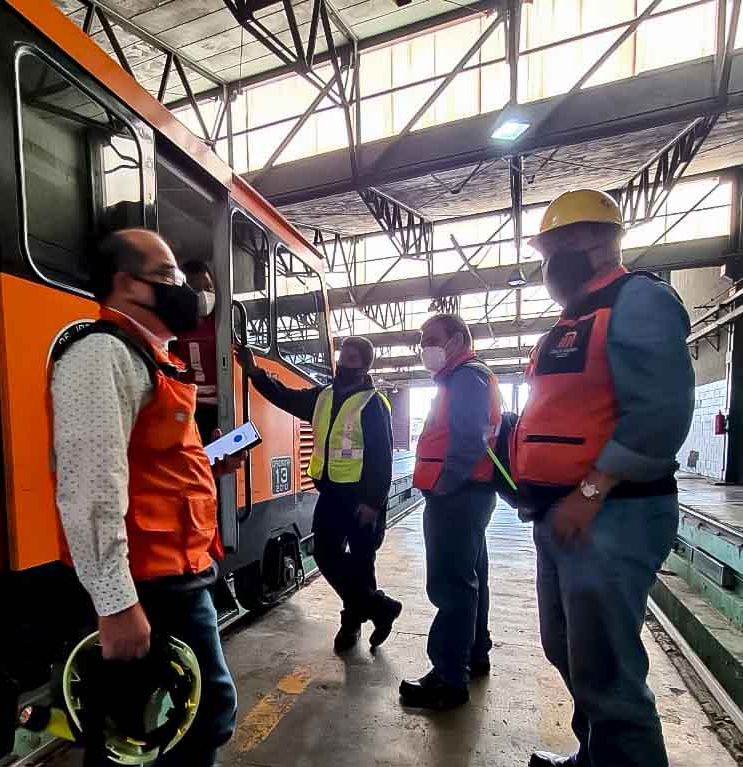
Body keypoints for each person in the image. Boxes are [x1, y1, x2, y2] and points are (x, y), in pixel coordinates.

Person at [50, 228, 242, 767]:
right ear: (126, 284)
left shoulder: (150, 359)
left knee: (159, 726)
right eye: (168, 276)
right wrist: (115, 603)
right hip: (147, 585)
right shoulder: (100, 354)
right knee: (185, 724)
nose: (186, 289)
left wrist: (208, 464)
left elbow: (149, 466)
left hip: (173, 573)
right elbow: (88, 488)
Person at [516, 190, 694, 767]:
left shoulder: (638, 300)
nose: (550, 259)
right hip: (563, 516)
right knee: (567, 648)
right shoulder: (571, 321)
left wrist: (589, 492)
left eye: (558, 244)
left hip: (611, 514)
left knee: (609, 671)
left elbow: (658, 417)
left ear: (598, 239)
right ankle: (596, 755)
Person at [236, 337, 402, 653]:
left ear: (365, 366)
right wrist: (255, 372)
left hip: (362, 499)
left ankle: (351, 623)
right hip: (331, 494)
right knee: (326, 554)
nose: (343, 364)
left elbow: (383, 456)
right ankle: (380, 608)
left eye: (351, 360)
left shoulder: (373, 403)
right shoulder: (322, 396)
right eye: (342, 358)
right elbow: (283, 397)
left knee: (362, 563)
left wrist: (372, 503)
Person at [399, 314, 502, 711]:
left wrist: (446, 481)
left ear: (457, 340)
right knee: (471, 578)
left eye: (432, 339)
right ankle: (474, 654)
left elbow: (469, 437)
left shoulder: (464, 378)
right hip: (469, 494)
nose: (425, 347)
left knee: (451, 585)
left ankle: (447, 676)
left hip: (456, 496)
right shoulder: (466, 376)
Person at [172, 260, 219, 440]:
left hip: (219, 409)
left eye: (208, 288)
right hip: (186, 409)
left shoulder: (222, 323)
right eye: (195, 289)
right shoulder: (174, 325)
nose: (203, 295)